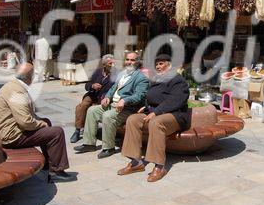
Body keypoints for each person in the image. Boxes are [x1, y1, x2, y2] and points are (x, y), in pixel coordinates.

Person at [0, 63, 76, 182]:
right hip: (12, 136)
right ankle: (56, 171)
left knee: (46, 121)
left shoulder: (13, 86)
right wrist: (41, 124)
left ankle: (48, 163)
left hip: (10, 131)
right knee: (56, 132)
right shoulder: (17, 91)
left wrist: (42, 122)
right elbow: (25, 122)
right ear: (29, 77)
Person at [117, 54, 189, 182]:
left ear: (169, 65)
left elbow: (176, 100)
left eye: (161, 63)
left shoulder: (178, 80)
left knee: (156, 122)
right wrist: (145, 107)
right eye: (157, 64)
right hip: (156, 113)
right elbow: (151, 97)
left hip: (175, 115)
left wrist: (156, 112)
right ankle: (136, 162)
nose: (158, 66)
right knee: (133, 119)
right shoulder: (156, 80)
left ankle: (159, 166)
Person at [74, 52, 149, 159]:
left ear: (137, 62)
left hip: (127, 109)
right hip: (113, 105)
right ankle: (89, 143)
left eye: (132, 60)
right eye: (127, 59)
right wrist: (107, 97)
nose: (129, 62)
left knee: (108, 116)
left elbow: (139, 96)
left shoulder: (141, 78)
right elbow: (114, 87)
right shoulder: (122, 73)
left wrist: (125, 100)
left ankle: (109, 148)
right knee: (92, 111)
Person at [70, 54, 117, 143]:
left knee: (93, 109)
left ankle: (91, 130)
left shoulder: (116, 74)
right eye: (110, 63)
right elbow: (87, 85)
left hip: (104, 98)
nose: (112, 65)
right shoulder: (98, 72)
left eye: (113, 63)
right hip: (93, 94)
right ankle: (77, 130)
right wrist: (92, 85)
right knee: (83, 105)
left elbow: (114, 89)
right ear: (104, 64)